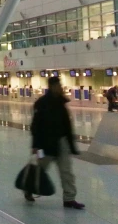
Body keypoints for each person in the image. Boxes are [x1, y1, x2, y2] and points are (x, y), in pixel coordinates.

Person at [26, 76, 84, 210]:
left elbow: (67, 125)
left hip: (62, 142)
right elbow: (35, 126)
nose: (60, 88)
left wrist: (71, 144)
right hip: (44, 145)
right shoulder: (42, 103)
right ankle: (29, 189)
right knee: (40, 170)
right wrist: (35, 145)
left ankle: (69, 198)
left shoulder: (61, 103)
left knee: (67, 172)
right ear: (51, 87)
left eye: (60, 85)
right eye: (58, 85)